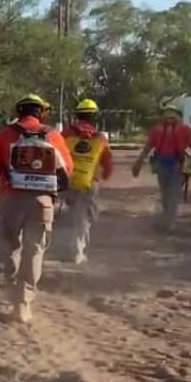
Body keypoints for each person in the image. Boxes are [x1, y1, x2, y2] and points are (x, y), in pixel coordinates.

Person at [0, 93, 73, 324]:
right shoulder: (53, 135)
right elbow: (68, 170)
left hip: (11, 198)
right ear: (41, 112)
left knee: (13, 244)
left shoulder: (6, 134)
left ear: (19, 111)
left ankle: (11, 288)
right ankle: (22, 304)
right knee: (34, 249)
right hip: (42, 201)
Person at [61, 99, 113, 265]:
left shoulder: (66, 134)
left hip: (68, 181)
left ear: (77, 115)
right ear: (94, 117)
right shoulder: (100, 138)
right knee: (83, 216)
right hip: (90, 182)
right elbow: (107, 162)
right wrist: (105, 175)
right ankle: (77, 251)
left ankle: (72, 245)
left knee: (75, 213)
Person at [132, 104, 191, 230]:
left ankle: (167, 221)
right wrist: (138, 163)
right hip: (169, 165)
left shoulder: (162, 129)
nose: (169, 117)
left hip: (170, 165)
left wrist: (138, 163)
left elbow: (147, 148)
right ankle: (168, 220)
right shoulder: (179, 129)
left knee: (170, 193)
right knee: (170, 193)